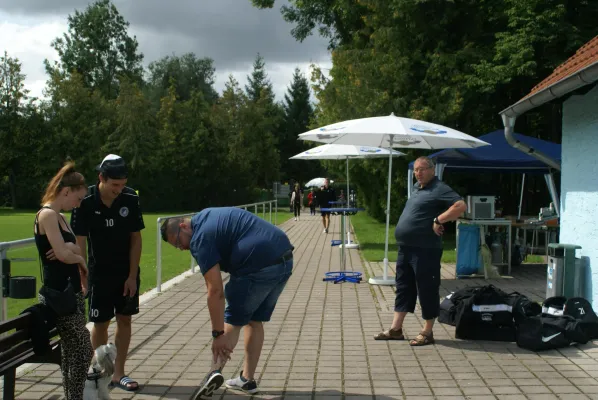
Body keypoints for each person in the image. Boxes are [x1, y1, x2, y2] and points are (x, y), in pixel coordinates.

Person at [160, 207, 294, 397]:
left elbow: (215, 291)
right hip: (284, 258)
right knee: (254, 320)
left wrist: (217, 334)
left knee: (234, 319)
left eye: (178, 242)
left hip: (257, 265)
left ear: (183, 226)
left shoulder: (199, 239)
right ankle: (247, 381)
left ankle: (214, 373)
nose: (181, 248)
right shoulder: (205, 216)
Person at [70, 154, 144, 391]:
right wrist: (83, 274)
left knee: (125, 319)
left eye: (122, 185)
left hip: (126, 272)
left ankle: (119, 374)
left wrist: (132, 276)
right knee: (100, 323)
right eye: (114, 185)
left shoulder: (130, 198)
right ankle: (99, 373)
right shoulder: (86, 201)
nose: (119, 190)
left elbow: (136, 239)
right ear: (101, 178)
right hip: (98, 273)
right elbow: (79, 240)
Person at [375, 156, 467, 346]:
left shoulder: (439, 188)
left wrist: (438, 220)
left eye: (422, 169)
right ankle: (396, 329)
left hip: (426, 250)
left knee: (426, 288)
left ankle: (427, 331)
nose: (418, 173)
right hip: (406, 249)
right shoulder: (418, 189)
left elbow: (461, 206)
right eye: (416, 170)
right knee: (403, 288)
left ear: (432, 170)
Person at [34, 161, 93, 399]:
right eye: (78, 199)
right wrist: (78, 260)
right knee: (83, 350)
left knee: (73, 352)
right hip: (59, 295)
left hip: (70, 293)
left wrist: (72, 252)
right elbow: (62, 254)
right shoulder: (47, 215)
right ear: (66, 191)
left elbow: (74, 250)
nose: (77, 205)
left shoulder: (61, 218)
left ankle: (73, 396)